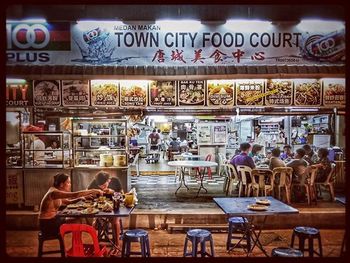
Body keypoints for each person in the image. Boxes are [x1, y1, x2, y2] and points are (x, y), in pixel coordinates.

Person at [38, 173, 102, 237]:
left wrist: (81, 198)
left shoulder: (56, 191)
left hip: (53, 220)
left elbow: (68, 202)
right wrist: (93, 190)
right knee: (77, 221)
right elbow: (74, 194)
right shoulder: (54, 192)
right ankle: (76, 245)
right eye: (68, 182)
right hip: (48, 224)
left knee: (77, 218)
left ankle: (76, 245)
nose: (70, 185)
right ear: (61, 184)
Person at [87, 172, 123, 252]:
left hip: (114, 207)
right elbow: (87, 193)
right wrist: (93, 193)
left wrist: (112, 192)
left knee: (115, 220)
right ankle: (95, 245)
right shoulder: (95, 182)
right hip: (99, 208)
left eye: (104, 185)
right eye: (100, 186)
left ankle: (117, 245)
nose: (102, 188)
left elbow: (122, 196)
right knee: (94, 222)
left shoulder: (115, 181)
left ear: (109, 180)